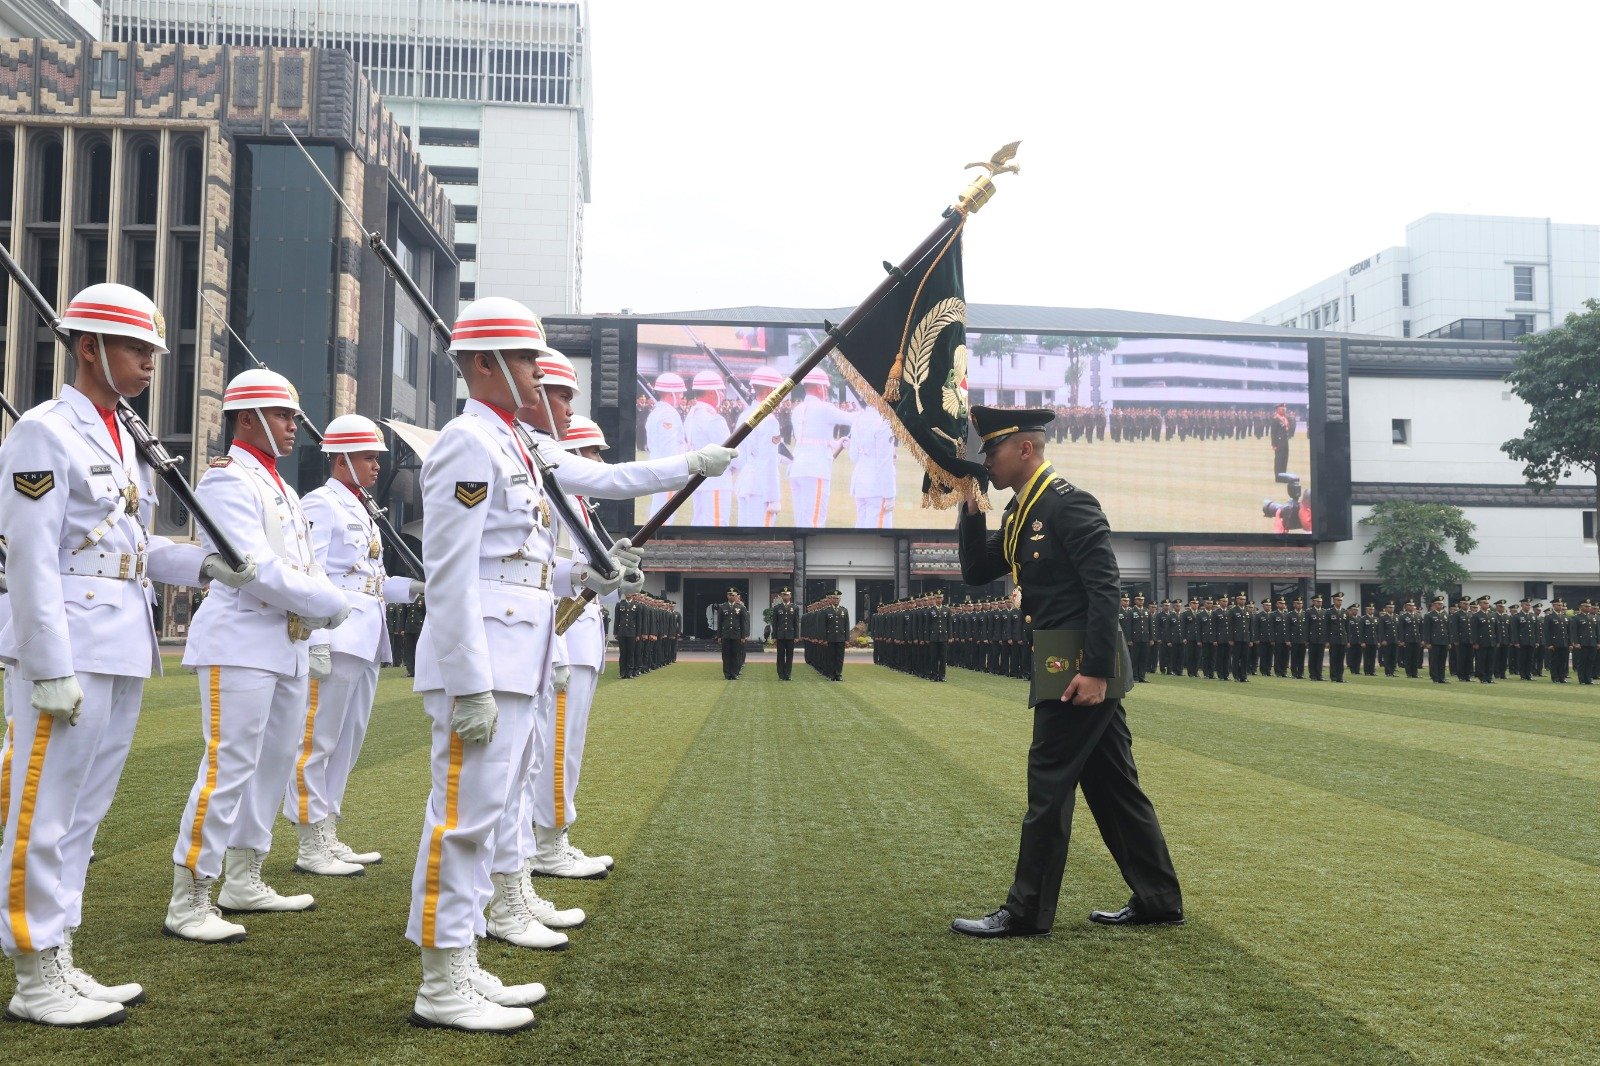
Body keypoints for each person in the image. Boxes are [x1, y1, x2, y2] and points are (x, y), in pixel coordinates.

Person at [0, 285, 256, 1027]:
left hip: (117, 642)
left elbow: (129, 555)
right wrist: (48, 666)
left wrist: (205, 566)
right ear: (88, 349)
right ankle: (33, 970)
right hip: (69, 649)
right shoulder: (47, 432)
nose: (151, 362)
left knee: (82, 812)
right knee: (40, 810)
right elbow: (32, 559)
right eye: (137, 349)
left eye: (153, 351)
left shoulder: (120, 438)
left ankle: (59, 952)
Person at [402, 296, 640, 1031]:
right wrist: (469, 682)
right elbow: (450, 573)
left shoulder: (512, 444)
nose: (541, 375)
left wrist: (586, 577)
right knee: (460, 822)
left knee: (490, 813)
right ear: (483, 365)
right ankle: (441, 984)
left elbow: (533, 557)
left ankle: (464, 961)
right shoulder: (468, 444)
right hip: (484, 666)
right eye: (528, 361)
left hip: (518, 656)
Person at [951, 406, 1182, 939]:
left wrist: (1097, 671)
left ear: (1024, 449)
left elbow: (1106, 590)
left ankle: (1027, 912)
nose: (986, 460)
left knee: (1048, 784)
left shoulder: (1068, 504)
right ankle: (1158, 898)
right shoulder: (1020, 512)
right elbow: (975, 569)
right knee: (1113, 787)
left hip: (1075, 665)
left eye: (992, 451)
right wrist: (970, 503)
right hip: (1062, 659)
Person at [166, 368, 353, 944]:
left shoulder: (282, 488)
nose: (293, 426)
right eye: (283, 416)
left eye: (293, 417)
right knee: (227, 768)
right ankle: (190, 895)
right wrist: (327, 600)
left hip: (287, 642)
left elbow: (304, 564)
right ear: (247, 419)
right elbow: (257, 567)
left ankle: (245, 876)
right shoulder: (226, 481)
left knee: (273, 764)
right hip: (241, 640)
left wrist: (319, 619)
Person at [284, 415, 424, 877]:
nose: (377, 466)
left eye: (377, 458)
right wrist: (318, 637)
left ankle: (327, 829)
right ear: (340, 459)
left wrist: (416, 589)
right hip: (336, 635)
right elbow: (310, 572)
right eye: (368, 457)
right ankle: (309, 840)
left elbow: (372, 581)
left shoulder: (361, 508)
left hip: (365, 637)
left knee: (347, 740)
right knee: (318, 739)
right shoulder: (320, 505)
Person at [787, 369, 853, 528]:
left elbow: (814, 437)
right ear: (819, 387)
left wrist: (834, 443)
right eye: (826, 387)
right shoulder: (824, 408)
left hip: (797, 468)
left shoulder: (797, 409)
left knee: (801, 520)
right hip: (815, 470)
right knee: (815, 522)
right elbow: (852, 419)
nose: (827, 391)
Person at [734, 367, 785, 527]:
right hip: (762, 491)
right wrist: (774, 497)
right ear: (771, 390)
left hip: (746, 483)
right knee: (762, 539)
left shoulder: (745, 414)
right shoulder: (769, 420)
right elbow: (769, 461)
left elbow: (738, 453)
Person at [684, 371, 734, 527]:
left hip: (698, 480)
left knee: (699, 525)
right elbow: (728, 452)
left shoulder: (692, 415)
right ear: (712, 392)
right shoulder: (713, 419)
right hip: (716, 482)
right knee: (717, 527)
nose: (722, 395)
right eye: (720, 391)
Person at [644, 371, 688, 517]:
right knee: (663, 515)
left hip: (659, 467)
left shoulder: (659, 411)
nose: (682, 396)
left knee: (660, 511)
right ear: (671, 393)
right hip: (667, 470)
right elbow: (669, 448)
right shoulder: (667, 414)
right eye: (680, 392)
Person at [849, 402, 897, 528]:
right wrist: (890, 494)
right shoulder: (883, 421)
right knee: (878, 536)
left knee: (861, 528)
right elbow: (884, 464)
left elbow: (853, 456)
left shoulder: (858, 419)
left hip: (860, 482)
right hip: (877, 486)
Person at [714, 588, 748, 679]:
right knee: (726, 655)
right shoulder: (722, 607)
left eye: (733, 595)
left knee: (736, 655)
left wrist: (743, 636)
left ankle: (735, 673)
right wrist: (719, 636)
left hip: (737, 635)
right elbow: (719, 622)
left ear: (736, 596)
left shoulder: (740, 607)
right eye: (730, 595)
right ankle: (727, 674)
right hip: (726, 635)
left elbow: (743, 623)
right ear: (727, 596)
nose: (732, 596)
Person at [770, 588, 799, 680]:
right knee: (780, 656)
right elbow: (774, 623)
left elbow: (796, 623)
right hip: (780, 636)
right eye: (784, 594)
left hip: (790, 635)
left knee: (789, 656)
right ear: (781, 596)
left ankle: (788, 674)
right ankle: (781, 675)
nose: (785, 596)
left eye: (787, 594)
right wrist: (774, 636)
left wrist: (796, 636)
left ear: (790, 596)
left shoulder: (795, 607)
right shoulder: (777, 608)